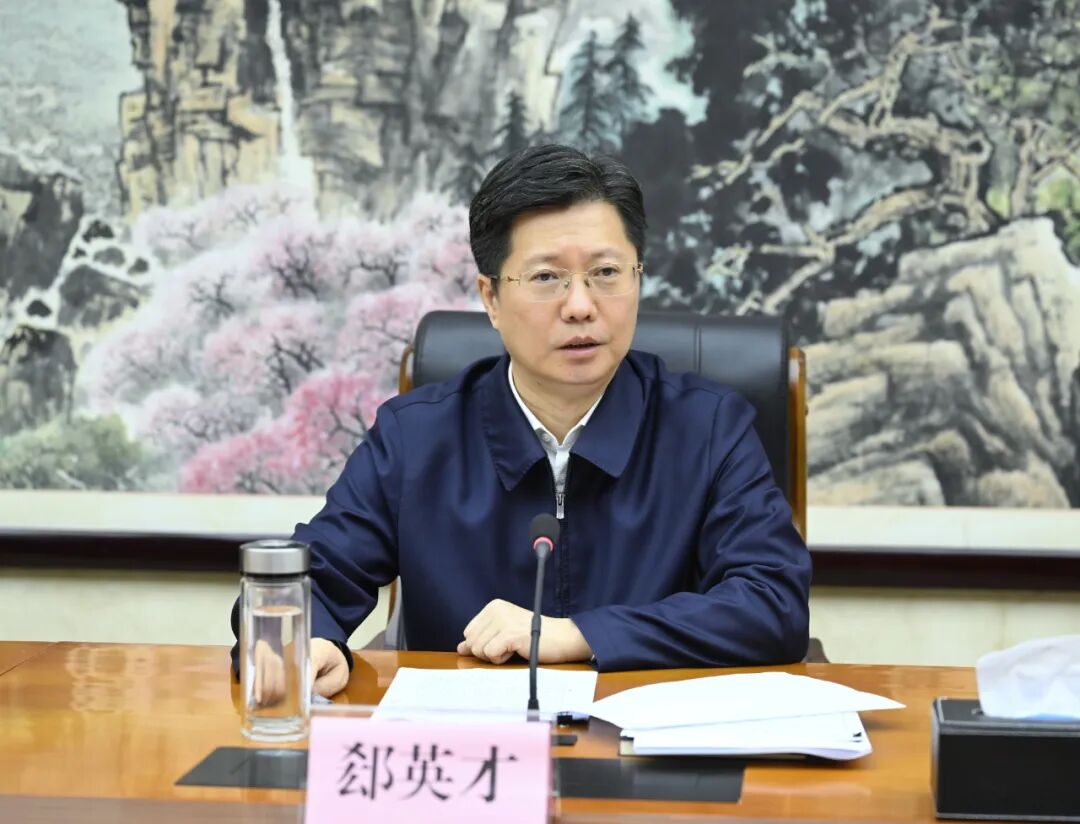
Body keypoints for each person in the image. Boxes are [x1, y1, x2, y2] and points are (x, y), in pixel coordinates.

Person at [231, 144, 811, 698]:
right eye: (546, 277)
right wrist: (305, 641)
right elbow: (307, 581)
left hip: (644, 747)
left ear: (638, 278)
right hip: (469, 754)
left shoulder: (707, 429)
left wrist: (580, 635)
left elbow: (772, 603)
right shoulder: (417, 438)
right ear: (490, 298)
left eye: (607, 272)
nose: (581, 305)